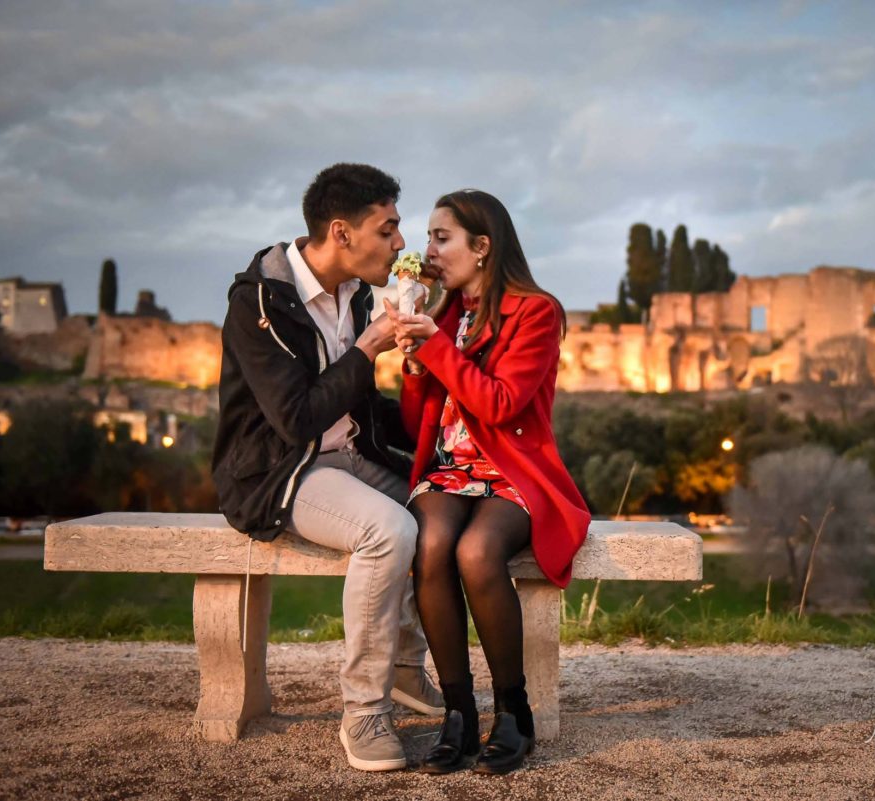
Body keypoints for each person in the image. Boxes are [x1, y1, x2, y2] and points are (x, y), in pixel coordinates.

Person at [211, 163, 444, 772]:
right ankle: (363, 710)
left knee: (440, 512)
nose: (401, 244)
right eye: (388, 228)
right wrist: (369, 347)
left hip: (346, 458)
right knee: (388, 531)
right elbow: (295, 419)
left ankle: (403, 668)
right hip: (279, 471)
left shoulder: (358, 292)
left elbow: (360, 407)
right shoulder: (259, 303)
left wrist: (435, 392)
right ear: (341, 232)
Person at [389, 189, 590, 775]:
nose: (426, 250)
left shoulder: (537, 311)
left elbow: (500, 405)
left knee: (478, 552)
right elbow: (415, 421)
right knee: (429, 548)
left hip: (514, 471)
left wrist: (435, 349)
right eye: (427, 237)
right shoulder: (444, 312)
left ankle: (512, 713)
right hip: (448, 469)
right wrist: (412, 363)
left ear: (482, 247)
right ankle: (457, 714)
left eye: (440, 237)